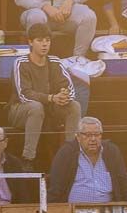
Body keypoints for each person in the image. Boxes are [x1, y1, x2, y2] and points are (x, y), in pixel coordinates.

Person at [8, 22, 81, 164]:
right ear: (30, 42)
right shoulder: (20, 62)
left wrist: (64, 96)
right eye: (40, 40)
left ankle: (71, 155)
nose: (44, 44)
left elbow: (69, 87)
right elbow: (24, 94)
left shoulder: (55, 61)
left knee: (74, 106)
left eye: (47, 40)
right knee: (36, 107)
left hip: (49, 110)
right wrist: (51, 98)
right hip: (21, 110)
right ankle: (28, 158)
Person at [48, 116, 127, 203]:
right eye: (88, 135)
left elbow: (123, 183)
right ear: (78, 137)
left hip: (106, 212)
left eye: (97, 134)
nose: (93, 139)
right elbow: (56, 187)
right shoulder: (66, 153)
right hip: (74, 211)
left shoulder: (111, 151)